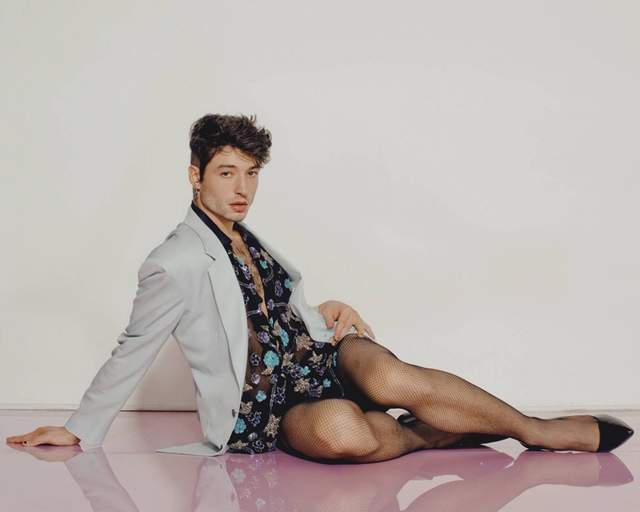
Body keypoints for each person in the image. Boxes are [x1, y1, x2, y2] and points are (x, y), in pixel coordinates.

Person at [6, 114, 634, 462]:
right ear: (195, 176)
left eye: (251, 174)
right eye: (227, 173)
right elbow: (134, 346)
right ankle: (434, 432)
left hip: (320, 355)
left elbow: (275, 309)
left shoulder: (248, 238)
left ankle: (537, 430)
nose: (242, 188)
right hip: (268, 408)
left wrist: (322, 307)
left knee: (387, 375)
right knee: (344, 433)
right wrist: (80, 428)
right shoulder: (173, 261)